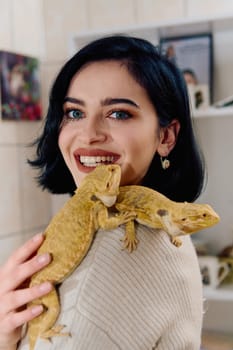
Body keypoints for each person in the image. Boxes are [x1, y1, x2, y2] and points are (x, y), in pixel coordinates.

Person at [0, 35, 205, 350]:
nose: (89, 134)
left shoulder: (113, 255)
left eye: (119, 113)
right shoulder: (159, 224)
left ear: (165, 136)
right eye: (75, 113)